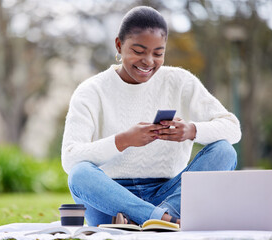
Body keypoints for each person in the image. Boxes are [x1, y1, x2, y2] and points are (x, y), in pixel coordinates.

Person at [61, 6, 241, 227]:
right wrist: (123, 140)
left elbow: (233, 128)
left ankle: (153, 218)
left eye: (158, 53)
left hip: (169, 193)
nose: (148, 61)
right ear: (119, 45)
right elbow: (69, 158)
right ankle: (160, 219)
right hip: (112, 200)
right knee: (79, 173)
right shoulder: (91, 91)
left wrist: (191, 131)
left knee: (224, 151)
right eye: (138, 51)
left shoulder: (180, 81)